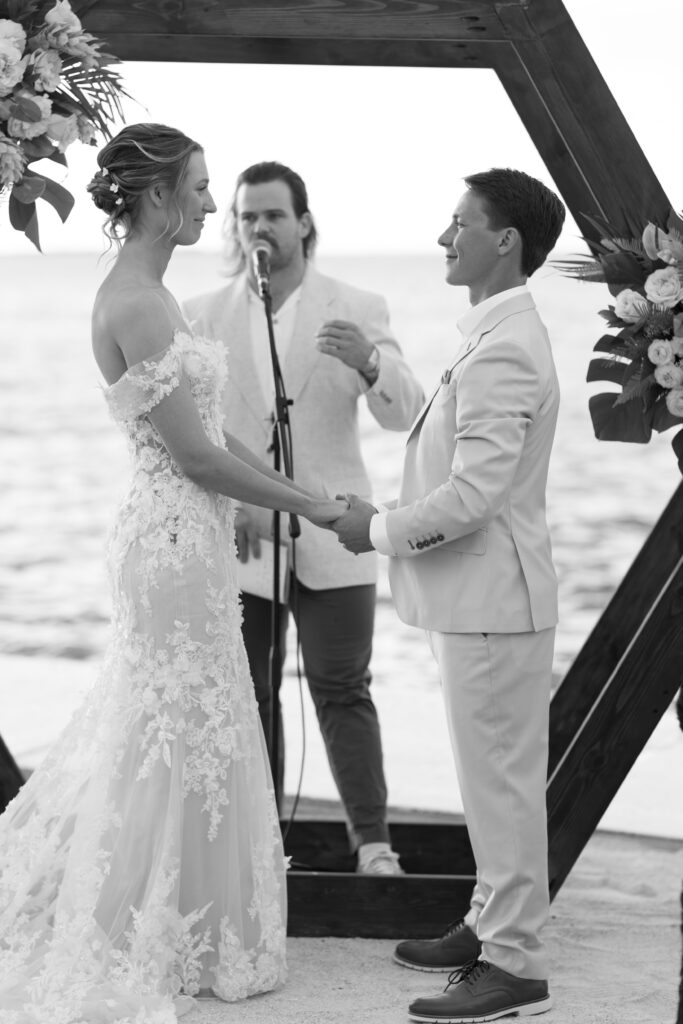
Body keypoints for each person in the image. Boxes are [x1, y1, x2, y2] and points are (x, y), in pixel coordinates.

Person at [0, 124, 346, 1021]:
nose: (206, 204)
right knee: (175, 726)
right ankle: (152, 922)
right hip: (170, 540)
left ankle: (186, 917)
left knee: (196, 723)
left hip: (187, 537)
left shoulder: (157, 294)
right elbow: (192, 457)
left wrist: (292, 490)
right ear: (156, 195)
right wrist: (305, 510)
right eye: (197, 188)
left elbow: (212, 432)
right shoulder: (139, 304)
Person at [333, 168, 565, 1021]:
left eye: (458, 222)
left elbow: (474, 497)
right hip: (481, 602)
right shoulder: (494, 333)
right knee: (488, 780)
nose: (442, 237)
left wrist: (377, 529)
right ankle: (486, 921)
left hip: (494, 604)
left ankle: (515, 968)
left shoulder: (505, 345)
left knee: (500, 785)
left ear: (503, 240)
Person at [184, 161, 424, 876]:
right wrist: (236, 505)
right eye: (246, 215)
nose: (258, 227)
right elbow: (194, 434)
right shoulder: (201, 315)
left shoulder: (354, 304)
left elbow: (408, 414)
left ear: (303, 222)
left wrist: (373, 362)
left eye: (273, 215)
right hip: (243, 537)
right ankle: (260, 849)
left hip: (336, 529)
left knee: (343, 687)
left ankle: (373, 844)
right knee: (251, 695)